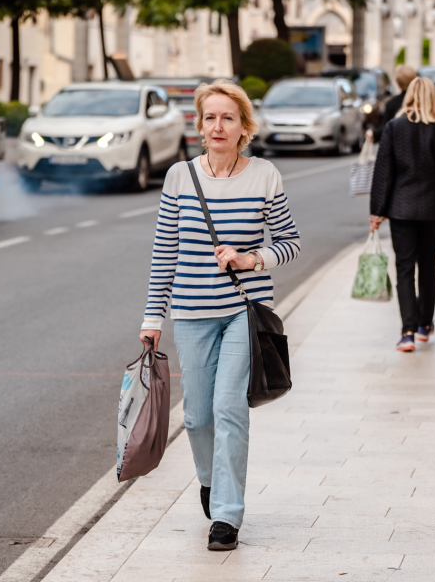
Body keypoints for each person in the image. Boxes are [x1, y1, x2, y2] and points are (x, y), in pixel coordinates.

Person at [139, 80, 301, 551]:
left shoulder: (264, 175)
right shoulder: (179, 177)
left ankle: (227, 515)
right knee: (196, 417)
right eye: (210, 117)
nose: (218, 126)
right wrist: (153, 317)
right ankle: (211, 480)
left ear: (243, 126)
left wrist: (252, 259)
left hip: (242, 313)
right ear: (200, 125)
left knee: (229, 407)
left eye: (228, 117)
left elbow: (289, 242)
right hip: (191, 312)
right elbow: (164, 252)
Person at [369, 77, 435, 353]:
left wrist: (377, 212)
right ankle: (425, 325)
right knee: (428, 268)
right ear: (434, 98)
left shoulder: (394, 128)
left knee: (404, 269)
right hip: (433, 211)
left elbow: (383, 173)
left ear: (409, 96)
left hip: (401, 210)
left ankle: (407, 333)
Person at [368, 65, 417, 144]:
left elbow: (384, 129)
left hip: (398, 146)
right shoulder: (421, 101)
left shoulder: (392, 103)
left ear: (397, 82)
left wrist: (373, 133)